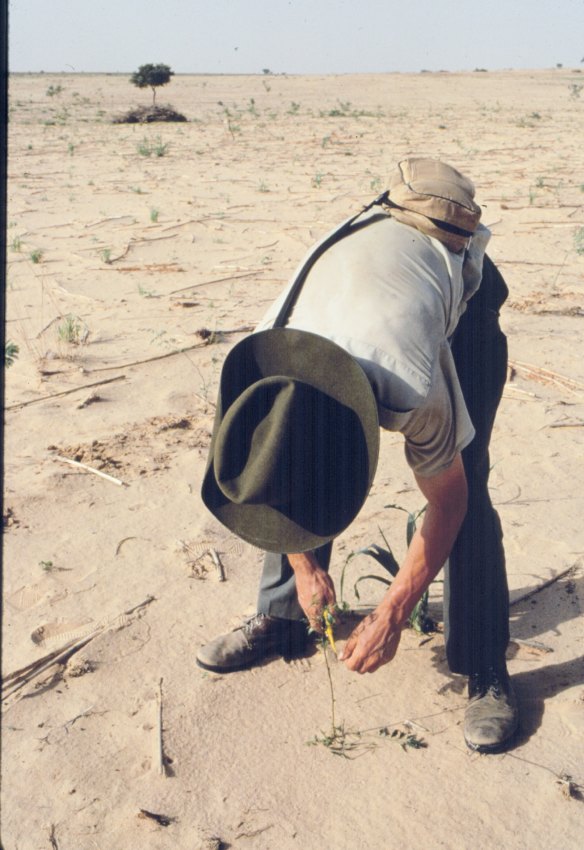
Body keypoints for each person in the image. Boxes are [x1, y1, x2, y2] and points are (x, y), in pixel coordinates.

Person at [198, 158, 518, 754]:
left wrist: (394, 612)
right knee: (284, 455)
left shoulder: (414, 387)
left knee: (466, 484)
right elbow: (265, 475)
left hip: (457, 309)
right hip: (366, 289)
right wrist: (302, 567)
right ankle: (285, 616)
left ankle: (484, 665)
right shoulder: (253, 369)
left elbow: (446, 505)